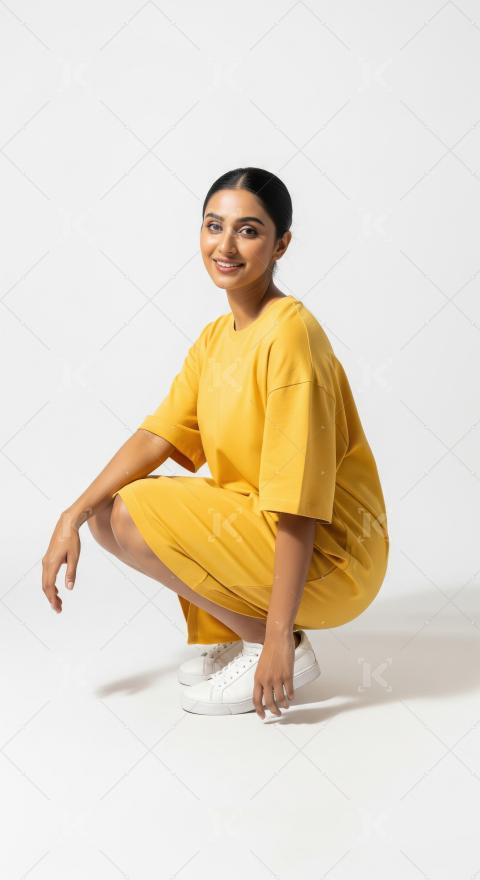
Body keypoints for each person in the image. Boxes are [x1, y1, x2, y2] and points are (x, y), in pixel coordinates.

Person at [41, 166, 389, 720]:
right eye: (213, 226)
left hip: (331, 550)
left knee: (130, 513)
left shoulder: (290, 335)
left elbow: (298, 501)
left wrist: (277, 637)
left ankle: (273, 645)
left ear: (281, 244)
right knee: (108, 510)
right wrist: (72, 512)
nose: (225, 246)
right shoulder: (214, 338)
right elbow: (158, 434)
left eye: (248, 231)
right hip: (268, 527)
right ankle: (248, 630)